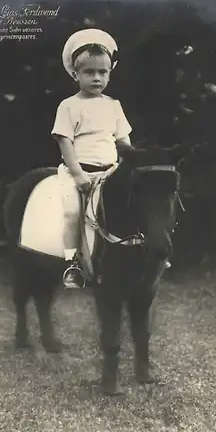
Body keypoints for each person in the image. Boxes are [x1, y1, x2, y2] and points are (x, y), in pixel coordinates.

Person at [51, 28, 133, 289]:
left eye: (102, 72)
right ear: (76, 74)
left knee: (133, 202)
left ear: (110, 73)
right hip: (79, 172)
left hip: (110, 172)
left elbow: (123, 141)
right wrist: (77, 174)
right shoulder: (69, 106)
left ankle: (141, 249)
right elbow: (64, 140)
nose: (97, 78)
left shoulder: (113, 105)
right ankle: (72, 262)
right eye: (89, 72)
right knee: (72, 211)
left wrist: (130, 166)